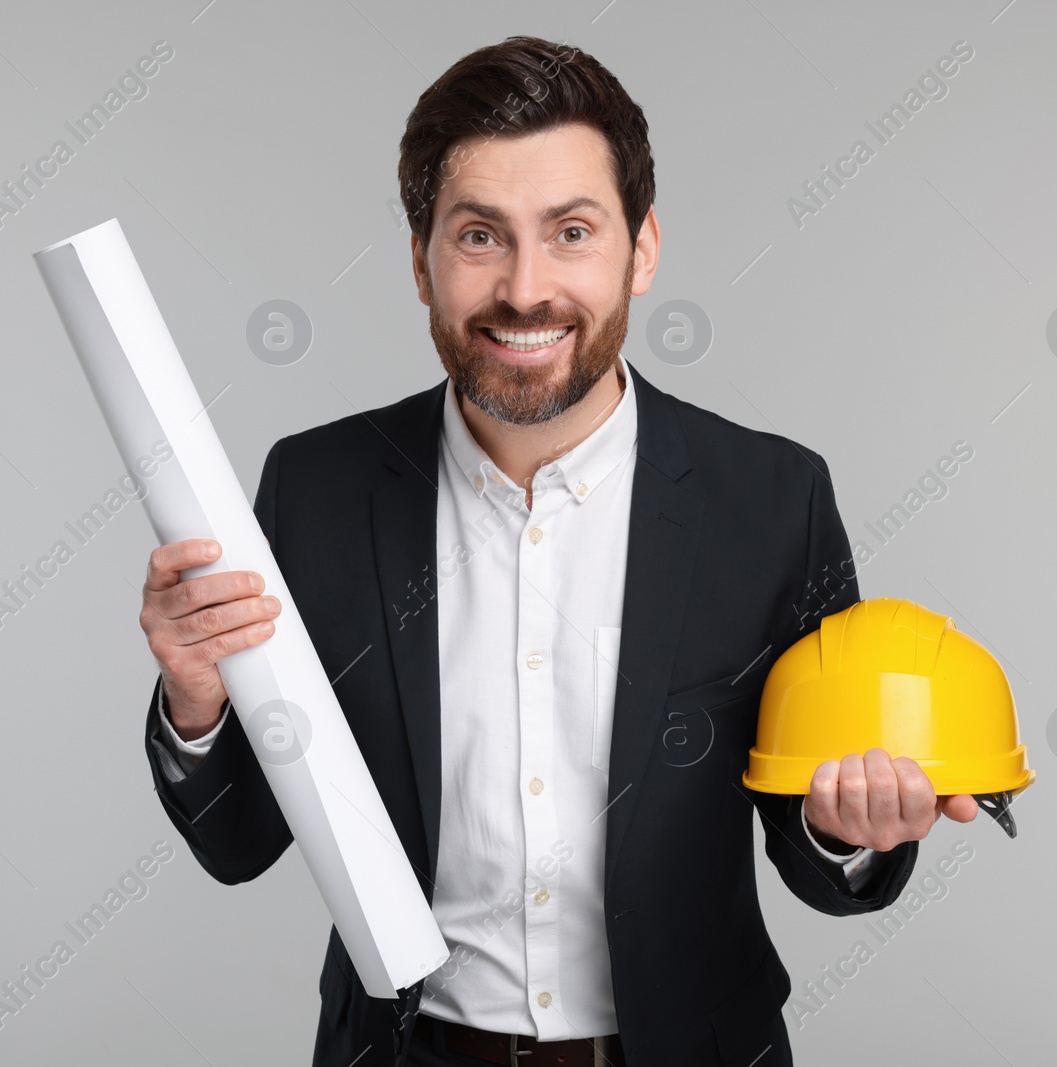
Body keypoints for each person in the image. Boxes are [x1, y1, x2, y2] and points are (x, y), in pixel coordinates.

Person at [138, 35, 979, 1067]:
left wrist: (850, 827)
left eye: (571, 231)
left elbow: (814, 859)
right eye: (480, 235)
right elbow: (240, 841)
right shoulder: (316, 489)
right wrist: (195, 699)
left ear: (642, 247)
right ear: (420, 259)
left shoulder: (771, 498)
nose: (525, 289)